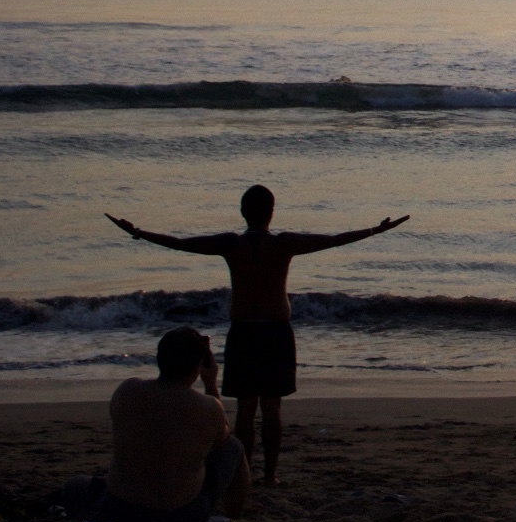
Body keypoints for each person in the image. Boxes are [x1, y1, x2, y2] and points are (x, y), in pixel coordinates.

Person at [105, 185, 409, 485]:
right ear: (271, 213)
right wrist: (373, 231)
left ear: (242, 212)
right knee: (271, 408)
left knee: (247, 409)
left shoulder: (232, 244)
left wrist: (140, 232)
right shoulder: (282, 244)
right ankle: (269, 474)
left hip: (245, 333)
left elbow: (180, 243)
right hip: (275, 333)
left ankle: (245, 473)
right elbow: (332, 241)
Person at [60, 327, 249, 522]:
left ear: (159, 359)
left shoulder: (128, 390)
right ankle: (233, 515)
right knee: (234, 447)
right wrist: (210, 384)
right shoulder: (209, 407)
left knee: (76, 485)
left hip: (120, 509)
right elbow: (221, 440)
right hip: (181, 513)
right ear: (198, 365)